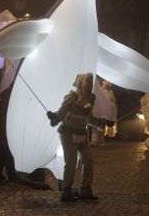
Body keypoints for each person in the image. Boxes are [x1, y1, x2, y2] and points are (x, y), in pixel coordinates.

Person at [47, 73, 114, 202]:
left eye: (90, 82)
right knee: (71, 162)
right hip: (67, 133)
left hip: (82, 134)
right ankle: (66, 191)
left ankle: (85, 190)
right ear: (81, 83)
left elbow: (88, 118)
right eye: (87, 82)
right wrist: (53, 117)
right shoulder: (71, 97)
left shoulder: (90, 98)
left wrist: (103, 122)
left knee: (88, 160)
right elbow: (61, 113)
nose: (89, 85)